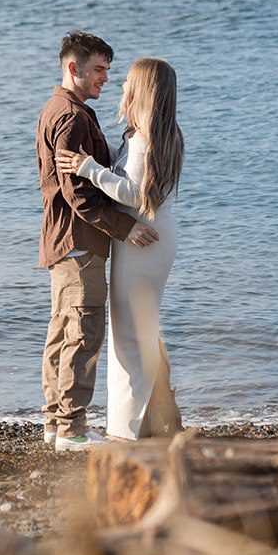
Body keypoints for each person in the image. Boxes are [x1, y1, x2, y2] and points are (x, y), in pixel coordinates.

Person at [36, 33, 158, 452]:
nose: (106, 78)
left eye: (108, 70)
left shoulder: (60, 110)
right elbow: (78, 195)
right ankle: (71, 431)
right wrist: (125, 229)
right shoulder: (71, 117)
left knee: (63, 335)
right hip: (78, 243)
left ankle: (56, 425)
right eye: (99, 70)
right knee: (82, 335)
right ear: (74, 68)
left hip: (63, 241)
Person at [55, 57, 183, 441]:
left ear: (142, 90)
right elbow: (129, 169)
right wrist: (101, 156)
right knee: (138, 330)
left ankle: (128, 429)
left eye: (128, 81)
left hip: (143, 241)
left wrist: (88, 168)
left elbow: (134, 193)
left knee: (128, 336)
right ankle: (150, 420)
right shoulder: (158, 134)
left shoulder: (145, 140)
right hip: (156, 240)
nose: (121, 86)